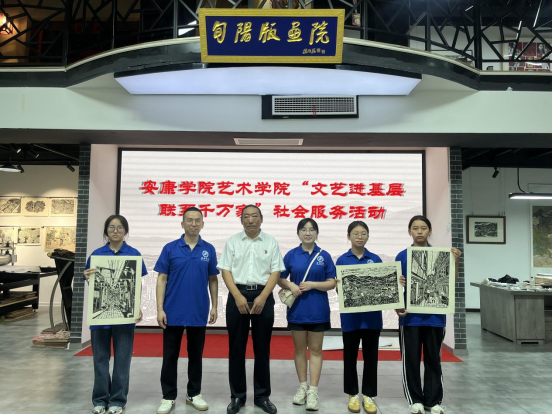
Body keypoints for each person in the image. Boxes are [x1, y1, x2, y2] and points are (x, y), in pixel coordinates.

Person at [218, 205, 286, 414]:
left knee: (262, 348)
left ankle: (262, 396)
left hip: (263, 295)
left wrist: (263, 296)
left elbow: (275, 271)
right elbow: (226, 270)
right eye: (246, 216)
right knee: (236, 349)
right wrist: (237, 296)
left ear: (261, 219)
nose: (250, 220)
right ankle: (237, 396)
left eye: (254, 216)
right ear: (241, 221)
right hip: (237, 295)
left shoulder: (270, 242)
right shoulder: (233, 242)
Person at [154, 207, 219, 414]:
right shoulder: (170, 248)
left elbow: (213, 279)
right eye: (189, 220)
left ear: (203, 224)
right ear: (182, 224)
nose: (193, 223)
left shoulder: (208, 249)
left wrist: (215, 306)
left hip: (198, 311)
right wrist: (160, 309)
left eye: (197, 220)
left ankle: (194, 393)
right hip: (172, 311)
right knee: (170, 356)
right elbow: (161, 279)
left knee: (196, 356)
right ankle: (168, 396)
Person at [395, 215, 462, 414]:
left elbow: (451, 282)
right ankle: (415, 400)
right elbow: (395, 288)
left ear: (429, 231)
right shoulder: (403, 255)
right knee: (411, 360)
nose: (420, 231)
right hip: (410, 319)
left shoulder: (441, 256)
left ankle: (433, 401)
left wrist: (456, 261)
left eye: (423, 228)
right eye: (415, 228)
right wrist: (398, 305)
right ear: (409, 231)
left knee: (434, 359)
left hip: (435, 318)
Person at [337, 221, 404, 414]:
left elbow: (385, 287)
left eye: (363, 233)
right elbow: (338, 289)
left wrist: (395, 282)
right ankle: (352, 394)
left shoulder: (375, 259)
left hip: (372, 320)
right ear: (348, 236)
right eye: (355, 233)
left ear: (368, 236)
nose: (360, 236)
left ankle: (368, 395)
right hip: (350, 319)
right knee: (349, 358)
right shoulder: (342, 260)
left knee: (371, 358)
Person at [84, 215, 149, 414]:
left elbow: (137, 284)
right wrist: (88, 277)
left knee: (122, 360)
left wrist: (137, 306)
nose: (115, 231)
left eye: (120, 227)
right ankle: (100, 400)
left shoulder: (134, 254)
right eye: (111, 227)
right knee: (100, 360)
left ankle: (118, 401)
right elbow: (94, 285)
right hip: (100, 318)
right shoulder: (96, 255)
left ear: (125, 231)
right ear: (106, 231)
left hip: (124, 317)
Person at [277, 218, 337, 412]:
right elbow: (279, 278)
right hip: (297, 311)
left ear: (317, 233)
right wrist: (290, 285)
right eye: (303, 229)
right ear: (298, 233)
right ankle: (302, 386)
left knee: (316, 350)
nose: (308, 233)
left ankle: (313, 391)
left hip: (318, 310)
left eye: (312, 229)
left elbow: (332, 282)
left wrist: (313, 285)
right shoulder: (291, 255)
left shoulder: (324, 255)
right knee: (300, 350)